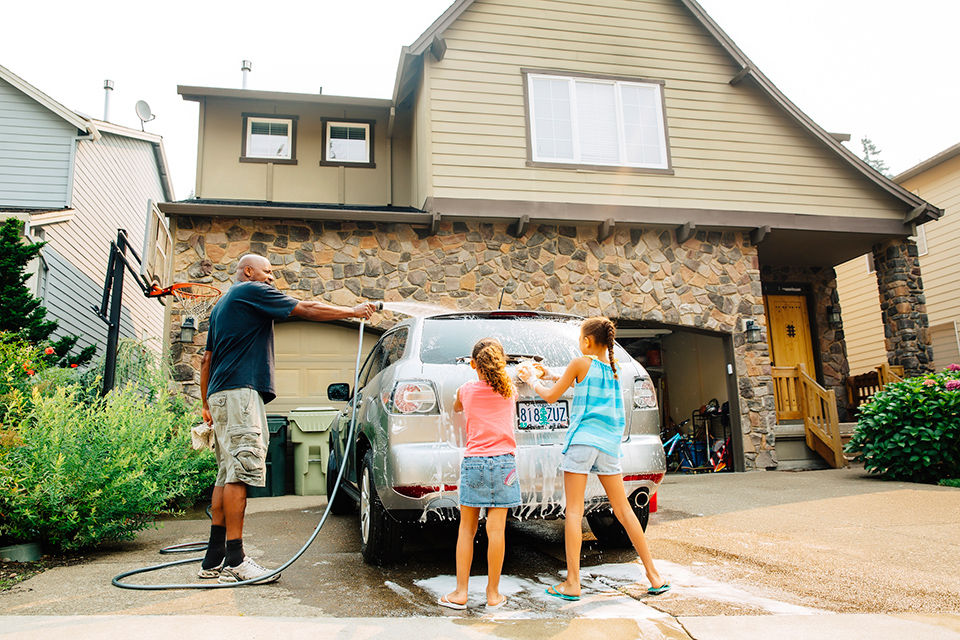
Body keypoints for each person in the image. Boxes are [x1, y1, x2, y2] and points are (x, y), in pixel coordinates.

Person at [199, 254, 377, 583]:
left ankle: (213, 560)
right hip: (240, 393)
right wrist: (352, 312)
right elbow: (304, 308)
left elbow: (206, 359)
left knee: (225, 475)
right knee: (240, 473)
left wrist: (206, 403)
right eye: (267, 272)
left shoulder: (223, 304)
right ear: (248, 272)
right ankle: (236, 560)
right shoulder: (249, 290)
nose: (271, 278)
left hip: (222, 394)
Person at [519, 317, 669, 600]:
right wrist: (550, 372)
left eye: (580, 339)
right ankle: (654, 575)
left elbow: (551, 396)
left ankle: (573, 583)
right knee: (624, 511)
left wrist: (532, 380)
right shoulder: (614, 369)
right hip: (609, 446)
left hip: (582, 444)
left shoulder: (579, 363)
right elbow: (581, 378)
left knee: (574, 512)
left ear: (587, 341)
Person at [438, 338, 520, 610]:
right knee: (496, 530)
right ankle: (493, 594)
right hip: (505, 464)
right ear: (501, 363)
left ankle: (461, 593)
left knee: (467, 529)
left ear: (473, 364)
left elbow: (456, 407)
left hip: (475, 463)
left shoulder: (466, 391)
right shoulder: (510, 391)